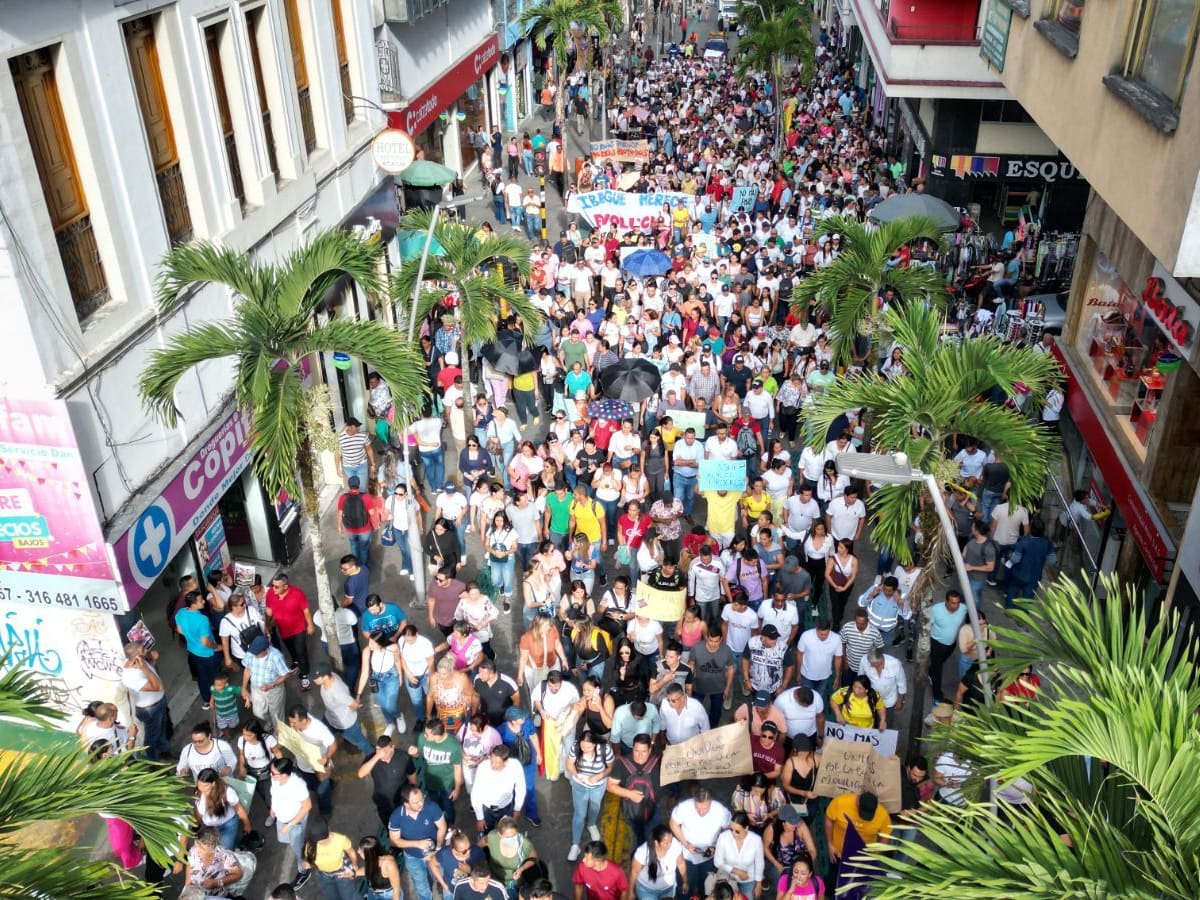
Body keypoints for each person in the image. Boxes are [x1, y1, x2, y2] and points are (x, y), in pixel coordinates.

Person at [388, 785, 447, 900]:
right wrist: (418, 844)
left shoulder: (432, 807)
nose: (421, 804)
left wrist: (438, 849)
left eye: (422, 799)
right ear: (406, 804)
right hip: (413, 857)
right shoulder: (396, 817)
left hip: (434, 853)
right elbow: (395, 841)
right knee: (421, 887)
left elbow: (442, 828)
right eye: (416, 802)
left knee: (444, 878)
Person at [669, 787, 731, 894]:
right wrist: (686, 843)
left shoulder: (720, 811)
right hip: (687, 856)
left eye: (705, 808)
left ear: (710, 802)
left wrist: (715, 846)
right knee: (685, 887)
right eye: (698, 808)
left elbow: (728, 830)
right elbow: (673, 823)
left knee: (707, 886)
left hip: (709, 857)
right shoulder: (684, 807)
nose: (701, 812)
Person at [565, 730, 614, 860]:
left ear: (595, 744)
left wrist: (599, 775)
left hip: (598, 786)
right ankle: (575, 845)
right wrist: (576, 774)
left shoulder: (605, 749)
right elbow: (569, 764)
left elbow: (610, 767)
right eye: (583, 746)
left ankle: (591, 824)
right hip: (579, 785)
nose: (585, 749)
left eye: (588, 747)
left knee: (595, 807)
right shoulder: (575, 747)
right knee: (579, 814)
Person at [310, 661, 374, 757]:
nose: (313, 680)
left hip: (346, 725)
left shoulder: (337, 691)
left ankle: (372, 756)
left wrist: (356, 701)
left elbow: (354, 705)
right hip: (331, 718)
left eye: (316, 678)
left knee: (360, 742)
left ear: (326, 677)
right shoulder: (331, 676)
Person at [265, 572, 316, 691]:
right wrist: (267, 624)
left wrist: (310, 625)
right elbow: (268, 611)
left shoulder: (297, 594)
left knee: (301, 651)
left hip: (298, 628)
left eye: (276, 586)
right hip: (283, 629)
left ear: (285, 586)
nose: (273, 589)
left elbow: (306, 611)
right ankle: (295, 662)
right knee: (291, 649)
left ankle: (304, 674)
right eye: (273, 585)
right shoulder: (270, 594)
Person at [285, 705, 338, 817]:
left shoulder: (319, 729)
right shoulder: (299, 724)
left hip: (319, 767)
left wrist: (326, 757)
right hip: (303, 765)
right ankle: (331, 784)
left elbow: (333, 745)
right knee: (310, 785)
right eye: (290, 722)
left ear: (304, 720)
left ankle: (325, 812)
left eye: (294, 722)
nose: (291, 725)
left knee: (322, 792)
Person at [269, 758, 314, 889]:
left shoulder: (297, 786)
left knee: (298, 849)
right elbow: (274, 794)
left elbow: (307, 806)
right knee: (292, 842)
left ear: (284, 774)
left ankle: (304, 872)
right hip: (282, 819)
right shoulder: (276, 779)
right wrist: (273, 807)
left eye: (274, 773)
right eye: (271, 771)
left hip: (295, 822)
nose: (271, 775)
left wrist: (291, 825)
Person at [121, 641, 169, 761]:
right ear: (137, 655)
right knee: (152, 737)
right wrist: (145, 668)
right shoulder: (131, 676)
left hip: (159, 701)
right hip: (150, 709)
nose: (146, 650)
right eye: (143, 649)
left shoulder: (140, 661)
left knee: (163, 728)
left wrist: (152, 661)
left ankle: (165, 750)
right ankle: (154, 762)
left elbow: (153, 676)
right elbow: (158, 687)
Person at [176, 589, 221, 710]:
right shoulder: (202, 619)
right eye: (201, 601)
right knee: (214, 677)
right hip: (208, 654)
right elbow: (205, 641)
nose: (204, 601)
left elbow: (179, 630)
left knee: (202, 676)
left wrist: (191, 637)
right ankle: (216, 700)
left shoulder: (180, 613)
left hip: (193, 651)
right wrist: (217, 647)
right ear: (194, 604)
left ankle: (206, 700)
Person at [824, 791, 891, 866]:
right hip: (838, 853)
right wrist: (830, 844)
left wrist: (876, 855)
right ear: (858, 801)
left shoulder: (883, 815)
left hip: (864, 859)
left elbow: (885, 836)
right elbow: (829, 819)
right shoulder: (840, 802)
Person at [194, 766, 252, 850]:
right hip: (210, 828)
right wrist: (196, 825)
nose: (201, 789)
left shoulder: (227, 791)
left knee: (224, 850)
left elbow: (239, 808)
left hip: (228, 824)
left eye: (205, 786)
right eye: (199, 785)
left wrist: (247, 824)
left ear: (213, 783)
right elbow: (199, 813)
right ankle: (237, 845)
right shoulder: (199, 792)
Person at [242, 634, 293, 728]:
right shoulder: (251, 652)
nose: (254, 655)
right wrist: (244, 688)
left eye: (257, 653)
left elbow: (285, 675)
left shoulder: (276, 656)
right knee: (258, 713)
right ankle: (270, 721)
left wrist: (271, 685)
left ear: (265, 650)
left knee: (277, 715)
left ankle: (279, 733)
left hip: (274, 690)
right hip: (256, 688)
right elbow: (247, 669)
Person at [304, 817, 361, 900]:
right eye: (320, 842)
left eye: (325, 840)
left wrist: (354, 865)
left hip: (342, 873)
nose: (324, 844)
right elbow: (310, 860)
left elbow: (351, 852)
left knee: (349, 897)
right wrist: (309, 864)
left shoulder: (341, 840)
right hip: (323, 876)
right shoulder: (310, 846)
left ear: (328, 830)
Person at [628, 824, 688, 900]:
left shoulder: (675, 845)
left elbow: (681, 864)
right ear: (656, 842)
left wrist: (685, 881)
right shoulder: (643, 852)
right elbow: (634, 872)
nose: (670, 845)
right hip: (647, 891)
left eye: (671, 841)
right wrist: (630, 891)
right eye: (666, 843)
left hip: (668, 889)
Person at [186, 825, 248, 898]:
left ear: (212, 847)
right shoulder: (194, 850)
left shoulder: (223, 855)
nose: (197, 847)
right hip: (196, 895)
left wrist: (216, 883)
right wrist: (187, 886)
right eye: (197, 843)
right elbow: (190, 864)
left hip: (217, 896)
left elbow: (238, 874)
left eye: (202, 847)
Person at [714, 811, 765, 898]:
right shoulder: (723, 837)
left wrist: (758, 884)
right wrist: (737, 871)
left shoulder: (756, 840)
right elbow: (717, 862)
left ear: (746, 828)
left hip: (749, 879)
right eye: (731, 829)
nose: (733, 833)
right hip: (728, 878)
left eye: (737, 831)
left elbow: (759, 863)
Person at [486, 816, 540, 896]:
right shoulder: (492, 837)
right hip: (494, 878)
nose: (511, 839)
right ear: (499, 834)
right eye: (508, 837)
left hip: (513, 882)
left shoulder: (525, 844)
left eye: (514, 835)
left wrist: (521, 869)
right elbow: (480, 844)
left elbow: (534, 859)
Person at [338, 476, 380, 566]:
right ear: (359, 484)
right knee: (364, 549)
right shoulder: (366, 497)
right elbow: (372, 513)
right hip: (364, 528)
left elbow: (340, 513)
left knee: (354, 547)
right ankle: (364, 568)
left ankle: (354, 566)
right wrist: (375, 524)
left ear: (349, 485)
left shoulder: (343, 497)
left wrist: (339, 526)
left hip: (350, 529)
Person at [357, 834, 404, 900]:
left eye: (360, 850)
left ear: (369, 853)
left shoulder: (389, 864)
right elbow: (369, 870)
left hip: (388, 896)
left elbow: (396, 889)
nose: (358, 852)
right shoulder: (371, 860)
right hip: (373, 893)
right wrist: (354, 873)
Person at [337, 417, 374, 487]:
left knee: (362, 488)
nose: (358, 428)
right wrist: (338, 469)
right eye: (356, 426)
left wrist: (373, 464)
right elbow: (337, 454)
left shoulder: (363, 436)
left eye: (358, 426)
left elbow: (369, 449)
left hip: (362, 465)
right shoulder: (340, 438)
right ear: (349, 427)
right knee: (353, 488)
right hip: (348, 468)